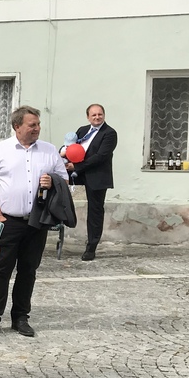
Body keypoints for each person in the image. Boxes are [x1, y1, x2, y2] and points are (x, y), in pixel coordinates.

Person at [0, 105, 69, 338]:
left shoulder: (49, 150)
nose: (37, 128)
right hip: (8, 220)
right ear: (17, 126)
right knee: (0, 270)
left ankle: (20, 317)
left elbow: (65, 179)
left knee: (28, 270)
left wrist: (54, 182)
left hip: (37, 221)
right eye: (32, 125)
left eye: (38, 124)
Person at [66, 104, 117, 261]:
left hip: (96, 175)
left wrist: (77, 166)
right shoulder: (82, 130)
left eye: (100, 114)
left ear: (104, 115)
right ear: (88, 117)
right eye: (93, 115)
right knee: (55, 190)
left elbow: (100, 156)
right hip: (77, 172)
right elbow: (71, 146)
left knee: (95, 211)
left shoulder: (109, 133)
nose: (97, 117)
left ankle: (91, 246)